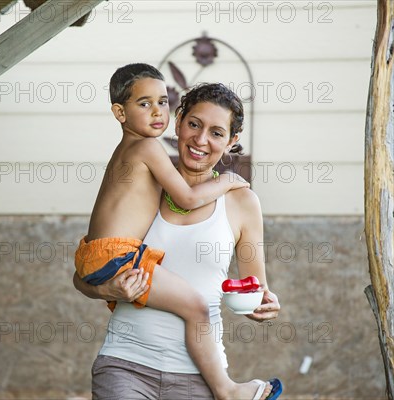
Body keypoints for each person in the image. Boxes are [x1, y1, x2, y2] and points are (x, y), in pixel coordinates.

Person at [73, 64, 281, 399]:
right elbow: (84, 275)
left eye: (216, 133)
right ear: (179, 121)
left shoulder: (242, 203)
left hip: (197, 378)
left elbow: (255, 291)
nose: (201, 140)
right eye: (194, 124)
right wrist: (109, 288)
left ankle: (225, 389)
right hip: (125, 365)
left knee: (196, 306)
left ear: (231, 141)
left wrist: (263, 305)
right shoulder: (147, 180)